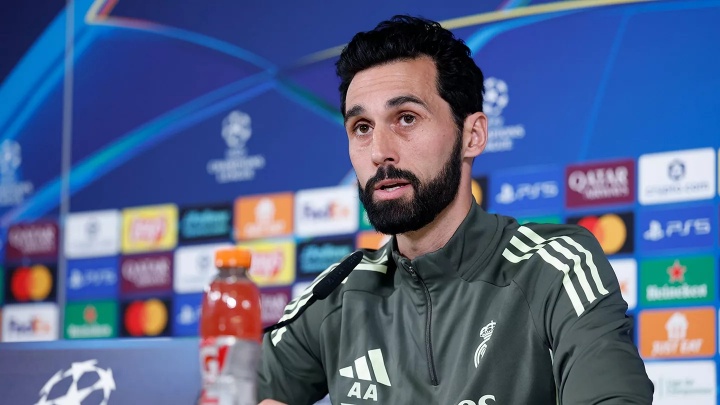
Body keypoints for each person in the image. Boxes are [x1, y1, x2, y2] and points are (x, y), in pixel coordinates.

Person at [257, 15, 653, 405]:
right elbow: (238, 390)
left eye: (406, 118)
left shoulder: (553, 267)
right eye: (362, 127)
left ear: (472, 135)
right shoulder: (338, 294)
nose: (379, 152)